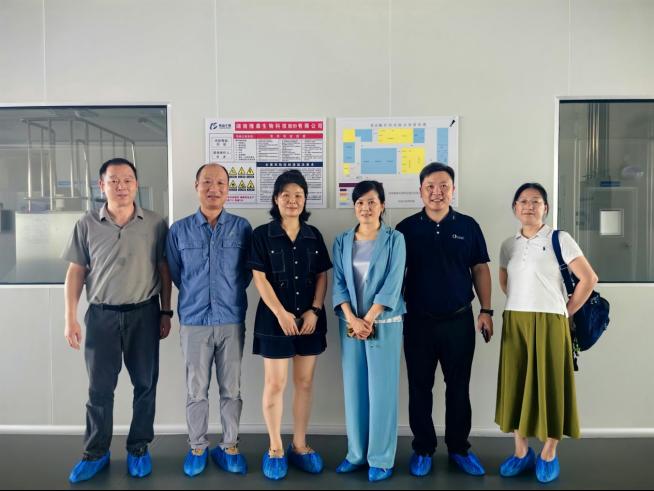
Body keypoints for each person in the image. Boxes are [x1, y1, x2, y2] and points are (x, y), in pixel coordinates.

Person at [63, 158, 171, 483]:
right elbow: (76, 271)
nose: (121, 186)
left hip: (144, 314)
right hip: (101, 316)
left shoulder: (155, 223)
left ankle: (138, 448)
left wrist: (166, 311)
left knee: (145, 385)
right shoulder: (86, 224)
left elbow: (164, 269)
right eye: (114, 181)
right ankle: (96, 453)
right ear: (102, 185)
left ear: (136, 185)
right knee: (99, 389)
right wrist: (70, 317)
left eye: (127, 180)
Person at [495, 183, 598, 483]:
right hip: (516, 320)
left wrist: (566, 310)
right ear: (515, 208)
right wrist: (522, 302)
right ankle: (521, 452)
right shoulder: (508, 245)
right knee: (515, 384)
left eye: (536, 201)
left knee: (551, 383)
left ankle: (549, 453)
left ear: (546, 208)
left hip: (551, 321)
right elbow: (505, 280)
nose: (529, 206)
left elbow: (589, 278)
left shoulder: (560, 239)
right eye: (523, 201)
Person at [396, 162, 493, 478]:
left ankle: (459, 448)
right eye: (430, 186)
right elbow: (395, 275)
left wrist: (486, 310)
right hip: (418, 322)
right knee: (419, 387)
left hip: (459, 321)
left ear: (453, 190)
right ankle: (423, 448)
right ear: (420, 191)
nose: (437, 192)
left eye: (443, 186)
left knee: (459, 387)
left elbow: (480, 268)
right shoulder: (405, 229)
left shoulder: (468, 226)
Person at [166, 163, 253, 477]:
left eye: (220, 183)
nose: (213, 189)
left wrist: (226, 294)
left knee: (231, 388)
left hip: (231, 318)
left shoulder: (242, 228)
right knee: (196, 389)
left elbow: (246, 273)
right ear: (196, 186)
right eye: (207, 182)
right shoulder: (179, 230)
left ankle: (229, 446)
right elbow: (176, 273)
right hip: (194, 320)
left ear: (228, 189)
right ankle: (197, 447)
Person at [248, 170, 332, 480]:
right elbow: (259, 278)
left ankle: (299, 445)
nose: (293, 201)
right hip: (274, 321)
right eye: (286, 195)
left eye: (298, 195)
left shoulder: (313, 235)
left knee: (305, 383)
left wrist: (314, 310)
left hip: (309, 320)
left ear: (305, 200)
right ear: (276, 199)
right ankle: (275, 448)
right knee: (275, 384)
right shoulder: (262, 235)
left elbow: (322, 275)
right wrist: (281, 313)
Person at [332, 181, 406, 482]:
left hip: (384, 322)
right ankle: (356, 454)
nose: (366, 207)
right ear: (354, 206)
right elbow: (338, 282)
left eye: (372, 202)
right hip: (350, 324)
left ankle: (381, 458)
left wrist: (370, 318)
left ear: (382, 205)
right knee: (354, 390)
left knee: (382, 391)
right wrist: (353, 318)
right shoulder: (342, 241)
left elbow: (394, 281)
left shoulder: (395, 239)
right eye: (360, 202)